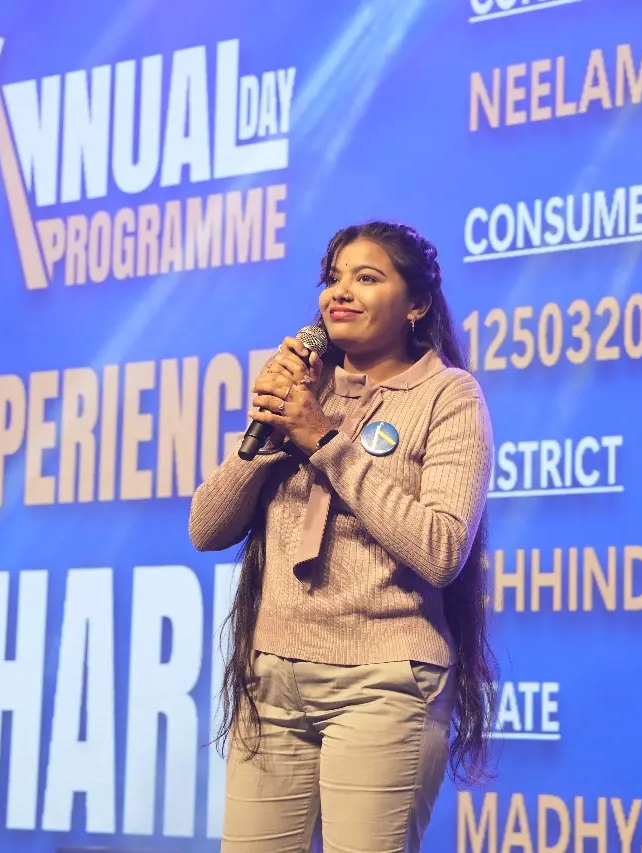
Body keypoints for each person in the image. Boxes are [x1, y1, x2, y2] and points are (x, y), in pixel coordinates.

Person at [189, 221, 497, 853]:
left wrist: (325, 441)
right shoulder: (302, 393)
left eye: (367, 277)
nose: (340, 292)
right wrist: (270, 434)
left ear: (417, 304)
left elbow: (441, 549)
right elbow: (206, 528)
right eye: (333, 278)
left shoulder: (446, 396)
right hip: (271, 677)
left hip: (384, 685)